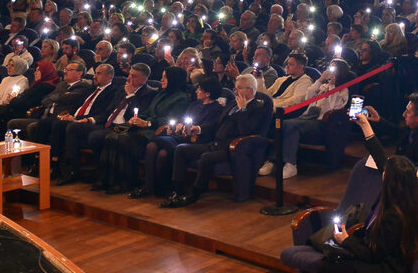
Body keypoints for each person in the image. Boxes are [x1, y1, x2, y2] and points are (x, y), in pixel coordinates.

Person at [314, 109, 418, 273]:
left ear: (393, 180)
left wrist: (346, 242)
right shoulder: (397, 195)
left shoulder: (396, 214)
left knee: (328, 270)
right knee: (330, 264)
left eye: (386, 172)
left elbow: (375, 254)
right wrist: (365, 125)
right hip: (378, 260)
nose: (382, 172)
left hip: (388, 271)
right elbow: (380, 158)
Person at [162, 73, 271, 207]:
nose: (235, 91)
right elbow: (216, 124)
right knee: (181, 149)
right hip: (215, 143)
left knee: (206, 158)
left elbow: (246, 131)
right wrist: (199, 128)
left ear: (251, 90)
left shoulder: (257, 108)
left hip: (232, 149)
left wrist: (243, 110)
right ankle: (177, 191)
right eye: (235, 88)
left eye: (239, 88)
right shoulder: (232, 103)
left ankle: (195, 194)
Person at [135, 76, 225, 198]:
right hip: (181, 136)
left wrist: (195, 129)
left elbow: (210, 128)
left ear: (208, 94)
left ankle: (161, 188)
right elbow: (183, 119)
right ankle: (148, 186)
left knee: (162, 151)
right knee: (152, 146)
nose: (196, 91)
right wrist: (179, 124)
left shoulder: (217, 109)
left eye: (199, 89)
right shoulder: (194, 105)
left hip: (196, 141)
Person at [280, 59, 355, 179]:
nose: (331, 72)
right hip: (309, 117)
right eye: (330, 68)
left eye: (334, 70)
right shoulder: (323, 86)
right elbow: (308, 96)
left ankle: (290, 165)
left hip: (322, 122)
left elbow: (333, 106)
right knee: (282, 124)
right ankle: (277, 160)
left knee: (290, 125)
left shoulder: (342, 90)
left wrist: (333, 86)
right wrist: (320, 80)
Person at [364, 93, 418, 166]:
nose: (404, 114)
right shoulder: (416, 127)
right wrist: (379, 120)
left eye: (408, 112)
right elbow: (397, 131)